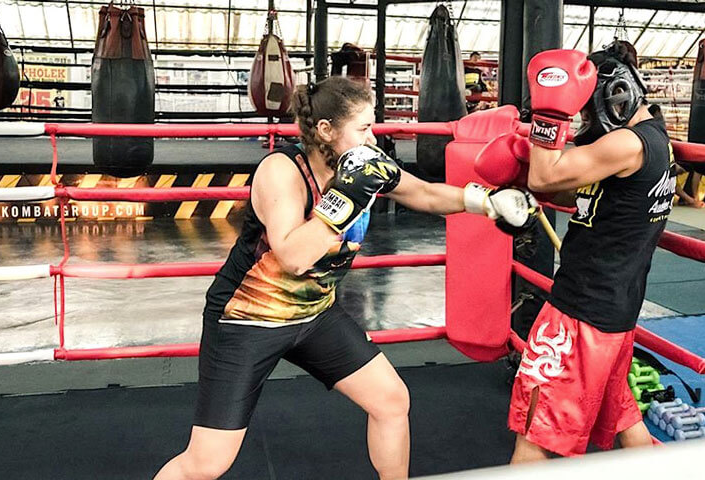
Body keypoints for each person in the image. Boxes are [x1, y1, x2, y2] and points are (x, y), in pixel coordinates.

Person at [153, 76, 538, 480]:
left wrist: (485, 201)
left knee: (391, 401)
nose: (372, 139)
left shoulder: (365, 164)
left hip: (314, 314)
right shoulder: (282, 171)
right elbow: (293, 257)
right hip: (247, 320)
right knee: (208, 462)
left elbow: (422, 193)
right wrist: (346, 199)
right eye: (363, 128)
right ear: (326, 130)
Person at [477, 41, 675, 460]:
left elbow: (546, 178)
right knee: (625, 420)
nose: (583, 122)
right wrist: (521, 173)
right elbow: (575, 193)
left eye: (585, 111)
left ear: (615, 96)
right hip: (611, 314)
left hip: (580, 315)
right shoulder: (653, 139)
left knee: (533, 435)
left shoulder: (628, 144)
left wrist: (549, 117)